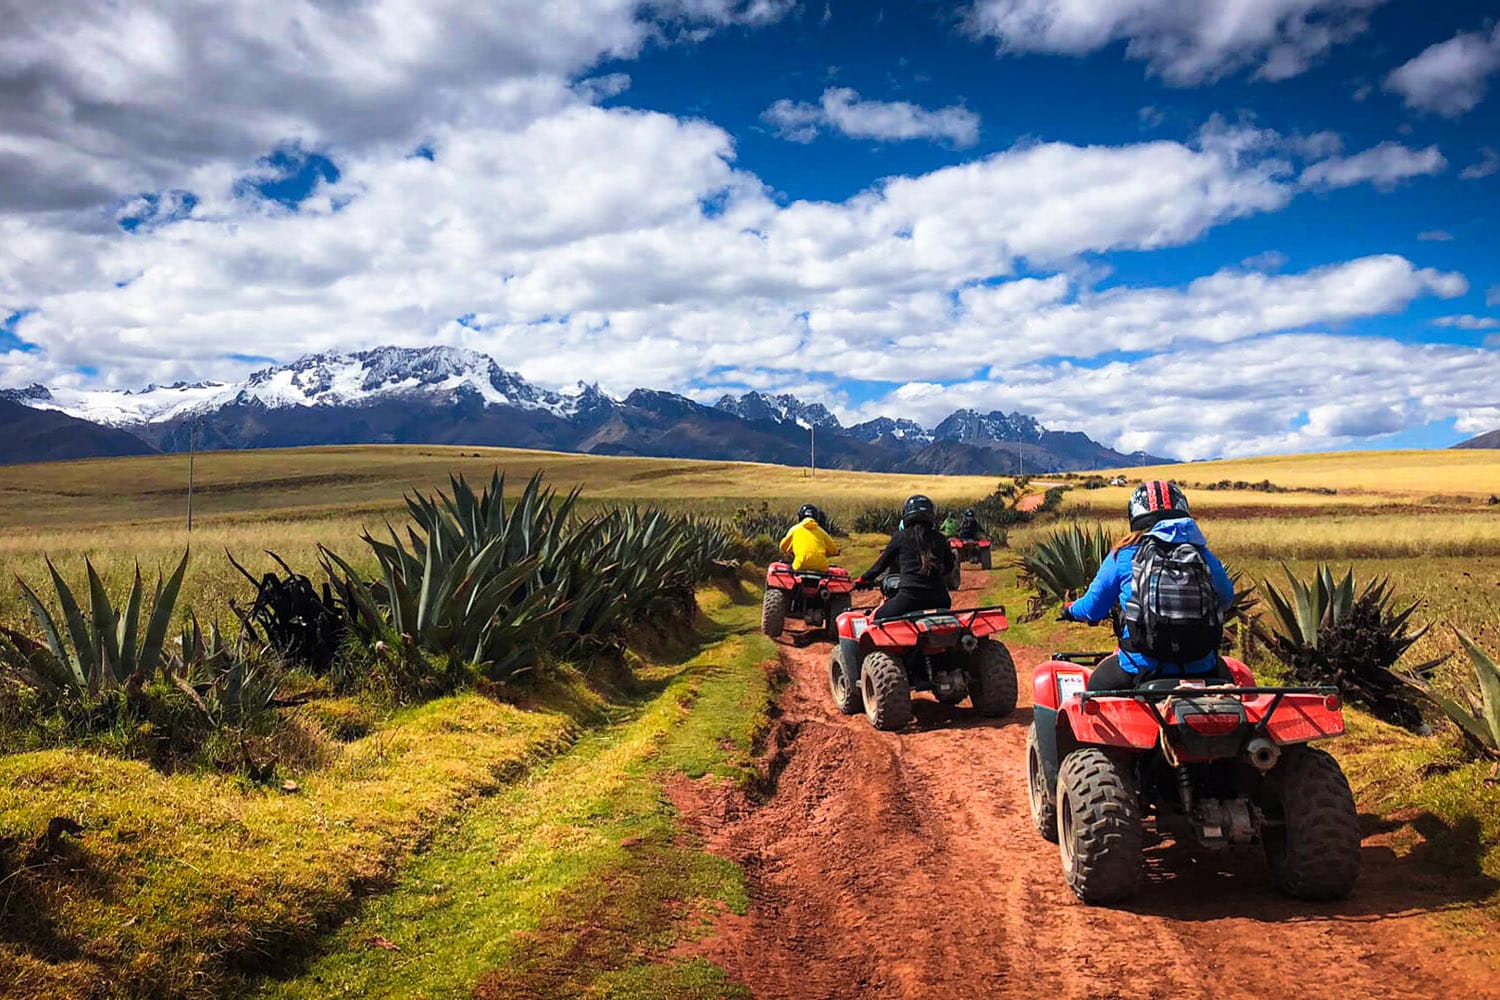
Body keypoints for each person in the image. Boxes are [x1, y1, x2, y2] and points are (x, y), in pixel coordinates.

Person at [1059, 480, 1234, 691]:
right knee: (1233, 686)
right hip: (1202, 669)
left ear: (1135, 516)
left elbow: (1093, 608)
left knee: (1095, 688)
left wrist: (1071, 610)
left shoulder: (1124, 554)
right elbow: (1225, 599)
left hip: (1139, 669)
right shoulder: (1203, 555)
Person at [855, 494, 957, 621]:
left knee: (875, 619)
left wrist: (863, 579)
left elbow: (881, 565)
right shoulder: (940, 538)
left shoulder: (900, 537)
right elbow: (949, 567)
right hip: (941, 601)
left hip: (909, 600)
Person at [779, 503, 839, 572]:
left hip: (800, 565)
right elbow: (834, 550)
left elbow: (783, 546)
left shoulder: (794, 529)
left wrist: (791, 550)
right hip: (821, 566)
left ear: (799, 517)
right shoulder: (822, 532)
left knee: (791, 569)